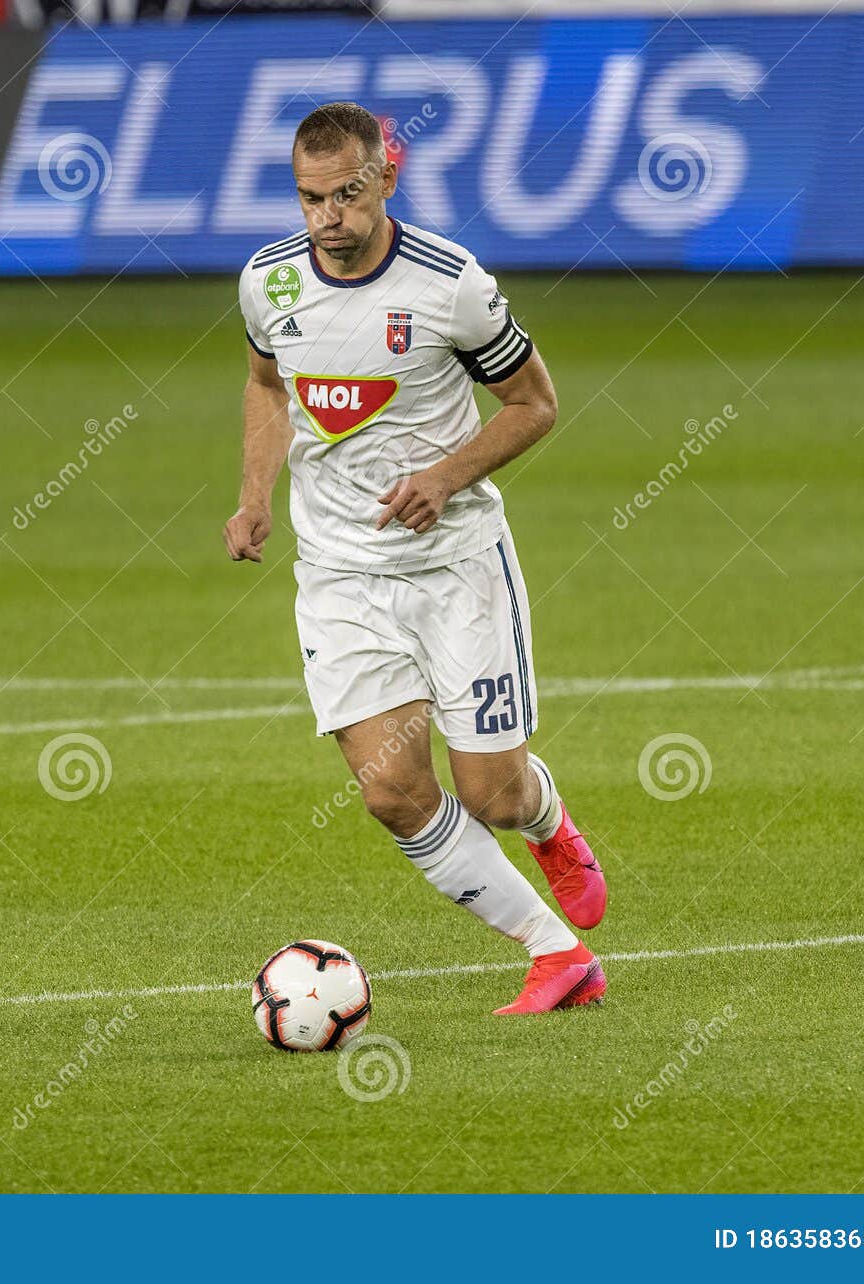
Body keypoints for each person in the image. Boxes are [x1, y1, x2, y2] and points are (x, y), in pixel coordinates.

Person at [224, 102, 607, 1014]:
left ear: (385, 179)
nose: (329, 218)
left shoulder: (452, 285)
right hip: (341, 576)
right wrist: (252, 498)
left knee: (491, 795)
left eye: (347, 195)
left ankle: (546, 821)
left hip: (455, 568)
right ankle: (556, 954)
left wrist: (445, 474)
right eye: (311, 198)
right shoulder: (268, 283)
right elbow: (266, 386)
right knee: (393, 791)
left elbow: (535, 405)